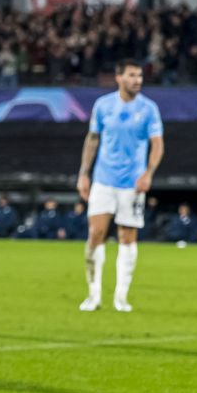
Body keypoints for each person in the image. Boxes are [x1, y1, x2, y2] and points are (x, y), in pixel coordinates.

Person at [77, 59, 164, 313]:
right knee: (96, 234)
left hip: (132, 184)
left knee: (127, 237)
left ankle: (121, 297)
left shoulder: (149, 109)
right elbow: (93, 139)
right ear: (119, 77)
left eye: (139, 76)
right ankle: (93, 295)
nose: (137, 80)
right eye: (132, 75)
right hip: (104, 179)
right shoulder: (103, 105)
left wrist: (148, 173)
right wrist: (84, 173)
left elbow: (157, 144)